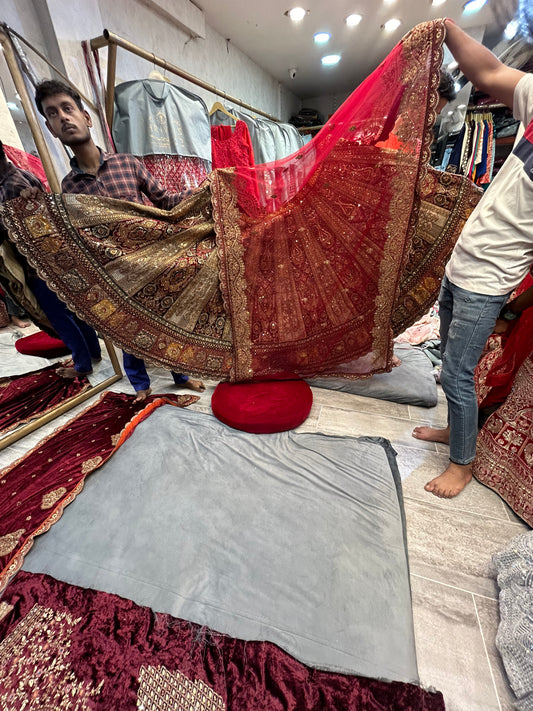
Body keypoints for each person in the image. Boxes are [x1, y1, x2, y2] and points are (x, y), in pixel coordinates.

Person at [412, 19, 533, 498]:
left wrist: (508, 310)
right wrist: (447, 30)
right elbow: (489, 72)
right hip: (461, 267)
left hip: (488, 282)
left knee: (458, 372)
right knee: (449, 364)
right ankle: (455, 434)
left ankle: (462, 464)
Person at [29, 79, 205, 401]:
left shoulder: (128, 163)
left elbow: (165, 201)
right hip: (114, 276)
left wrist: (205, 193)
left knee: (168, 321)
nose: (63, 118)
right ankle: (140, 385)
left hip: (152, 262)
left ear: (86, 117)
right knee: (126, 329)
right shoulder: (69, 189)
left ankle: (181, 375)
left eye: (68, 109)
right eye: (53, 114)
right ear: (50, 129)